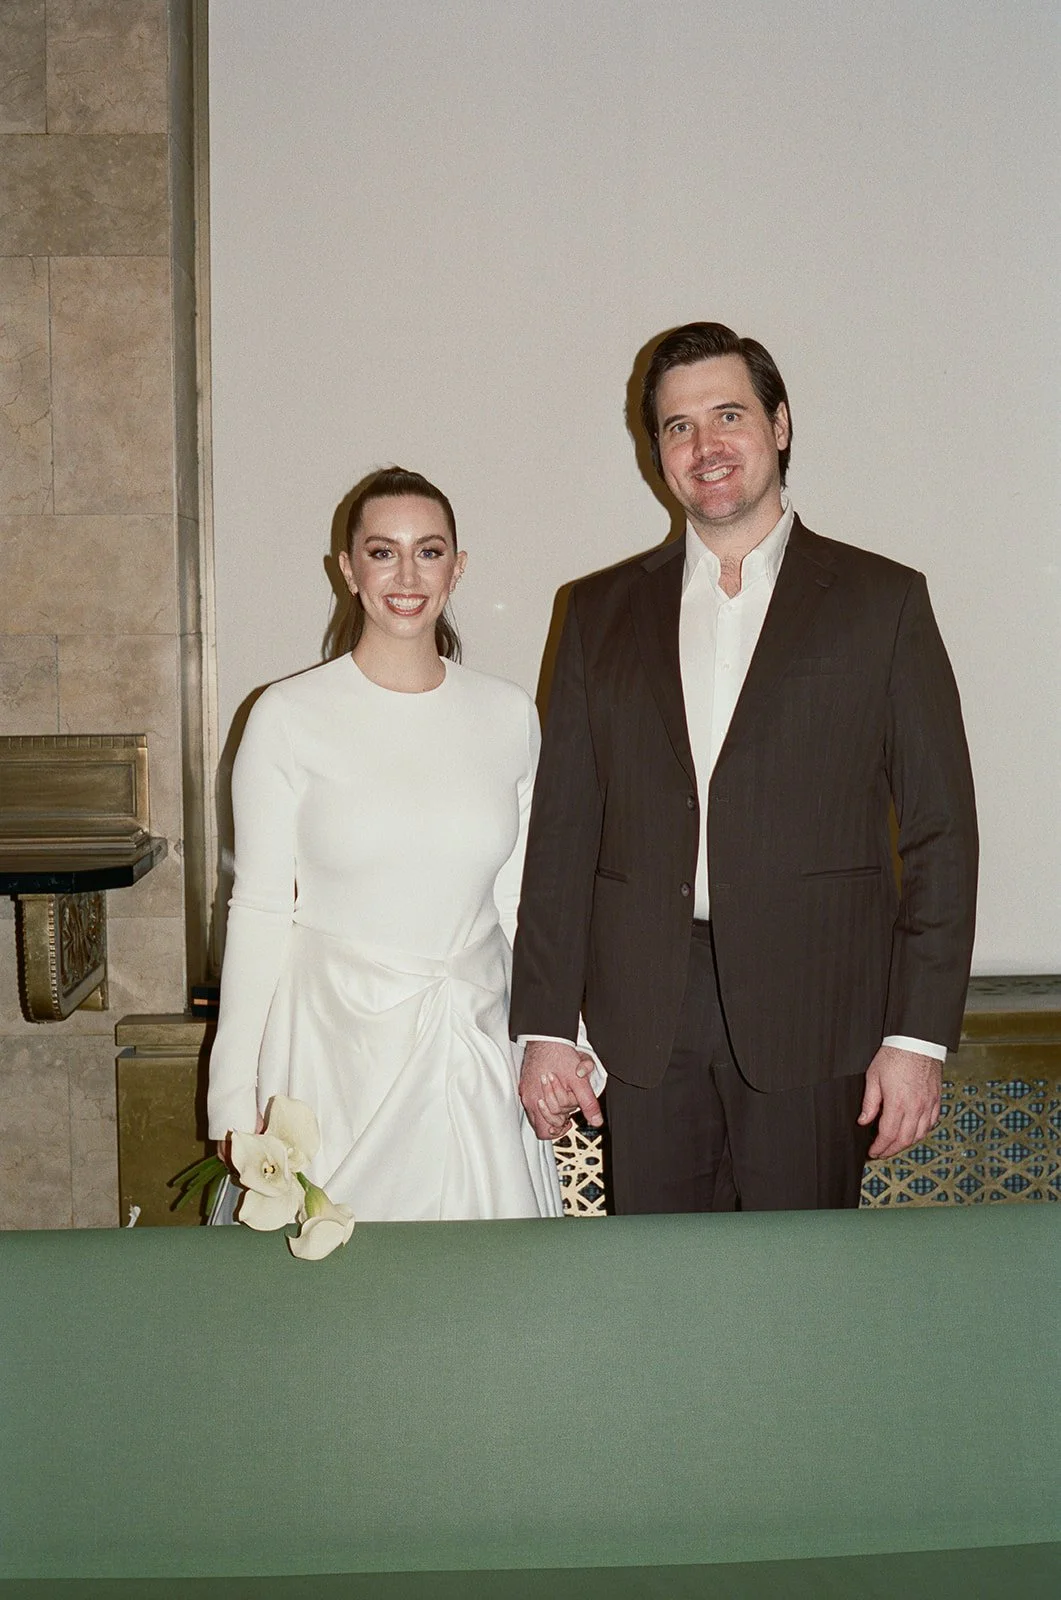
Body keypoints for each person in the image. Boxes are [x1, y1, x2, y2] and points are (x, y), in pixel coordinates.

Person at [510, 322, 978, 1212]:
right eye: (678, 427)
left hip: (818, 1012)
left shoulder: (882, 603)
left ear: (780, 424)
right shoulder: (598, 611)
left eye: (727, 415)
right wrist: (543, 1024)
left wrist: (917, 1037)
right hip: (641, 1018)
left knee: (801, 1301)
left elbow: (939, 833)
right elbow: (563, 831)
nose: (704, 445)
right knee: (661, 1294)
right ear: (657, 454)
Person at [208, 466, 561, 1220]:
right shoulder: (286, 715)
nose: (407, 574)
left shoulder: (507, 715)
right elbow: (260, 908)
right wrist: (232, 1096)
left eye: (429, 552)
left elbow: (526, 905)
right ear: (347, 568)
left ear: (457, 567)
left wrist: (559, 1039)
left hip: (473, 1044)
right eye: (382, 551)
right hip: (331, 1053)